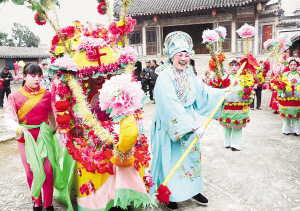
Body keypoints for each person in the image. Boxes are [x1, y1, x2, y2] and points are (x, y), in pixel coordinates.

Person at [150, 31, 229, 210]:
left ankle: (193, 189)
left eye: (186, 54)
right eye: (180, 55)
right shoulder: (165, 76)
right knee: (170, 160)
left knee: (191, 158)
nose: (184, 58)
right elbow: (170, 104)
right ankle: (170, 194)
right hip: (169, 122)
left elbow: (203, 92)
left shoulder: (190, 75)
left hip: (188, 121)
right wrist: (191, 126)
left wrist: (222, 94)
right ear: (172, 57)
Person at [4, 63, 64, 211]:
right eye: (33, 75)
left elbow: (51, 115)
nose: (37, 78)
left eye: (39, 75)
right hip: (25, 139)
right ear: (24, 77)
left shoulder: (47, 94)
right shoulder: (14, 96)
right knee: (31, 171)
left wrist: (55, 128)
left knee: (48, 171)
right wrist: (19, 128)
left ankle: (48, 203)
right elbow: (9, 118)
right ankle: (36, 201)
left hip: (44, 137)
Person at [218, 59, 252, 151]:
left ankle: (236, 145)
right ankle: (227, 142)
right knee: (226, 124)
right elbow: (219, 90)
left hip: (240, 106)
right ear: (229, 67)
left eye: (236, 65)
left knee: (238, 125)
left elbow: (250, 90)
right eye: (232, 65)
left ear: (240, 66)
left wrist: (249, 96)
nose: (233, 67)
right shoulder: (224, 77)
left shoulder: (245, 78)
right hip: (227, 105)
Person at [280, 58, 300, 136]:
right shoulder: (285, 74)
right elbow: (280, 84)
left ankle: (296, 130)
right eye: (291, 65)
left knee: (296, 113)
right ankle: (286, 130)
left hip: (297, 96)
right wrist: (281, 93)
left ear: (297, 66)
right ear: (288, 65)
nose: (292, 66)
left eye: (294, 64)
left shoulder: (299, 74)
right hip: (287, 96)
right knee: (286, 113)